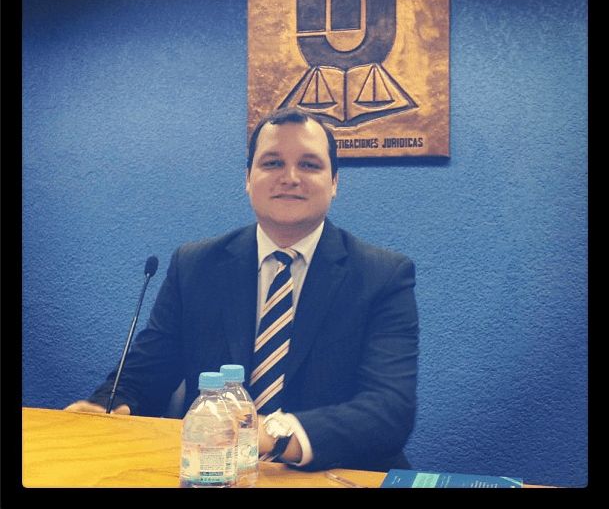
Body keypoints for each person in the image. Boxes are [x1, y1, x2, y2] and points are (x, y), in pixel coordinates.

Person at [65, 107, 419, 472]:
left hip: (335, 473)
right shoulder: (195, 265)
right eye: (272, 163)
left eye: (309, 165)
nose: (290, 178)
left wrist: (270, 435)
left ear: (334, 183)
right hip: (214, 470)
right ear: (248, 178)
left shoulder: (382, 275)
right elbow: (144, 374)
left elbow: (389, 410)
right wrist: (106, 405)